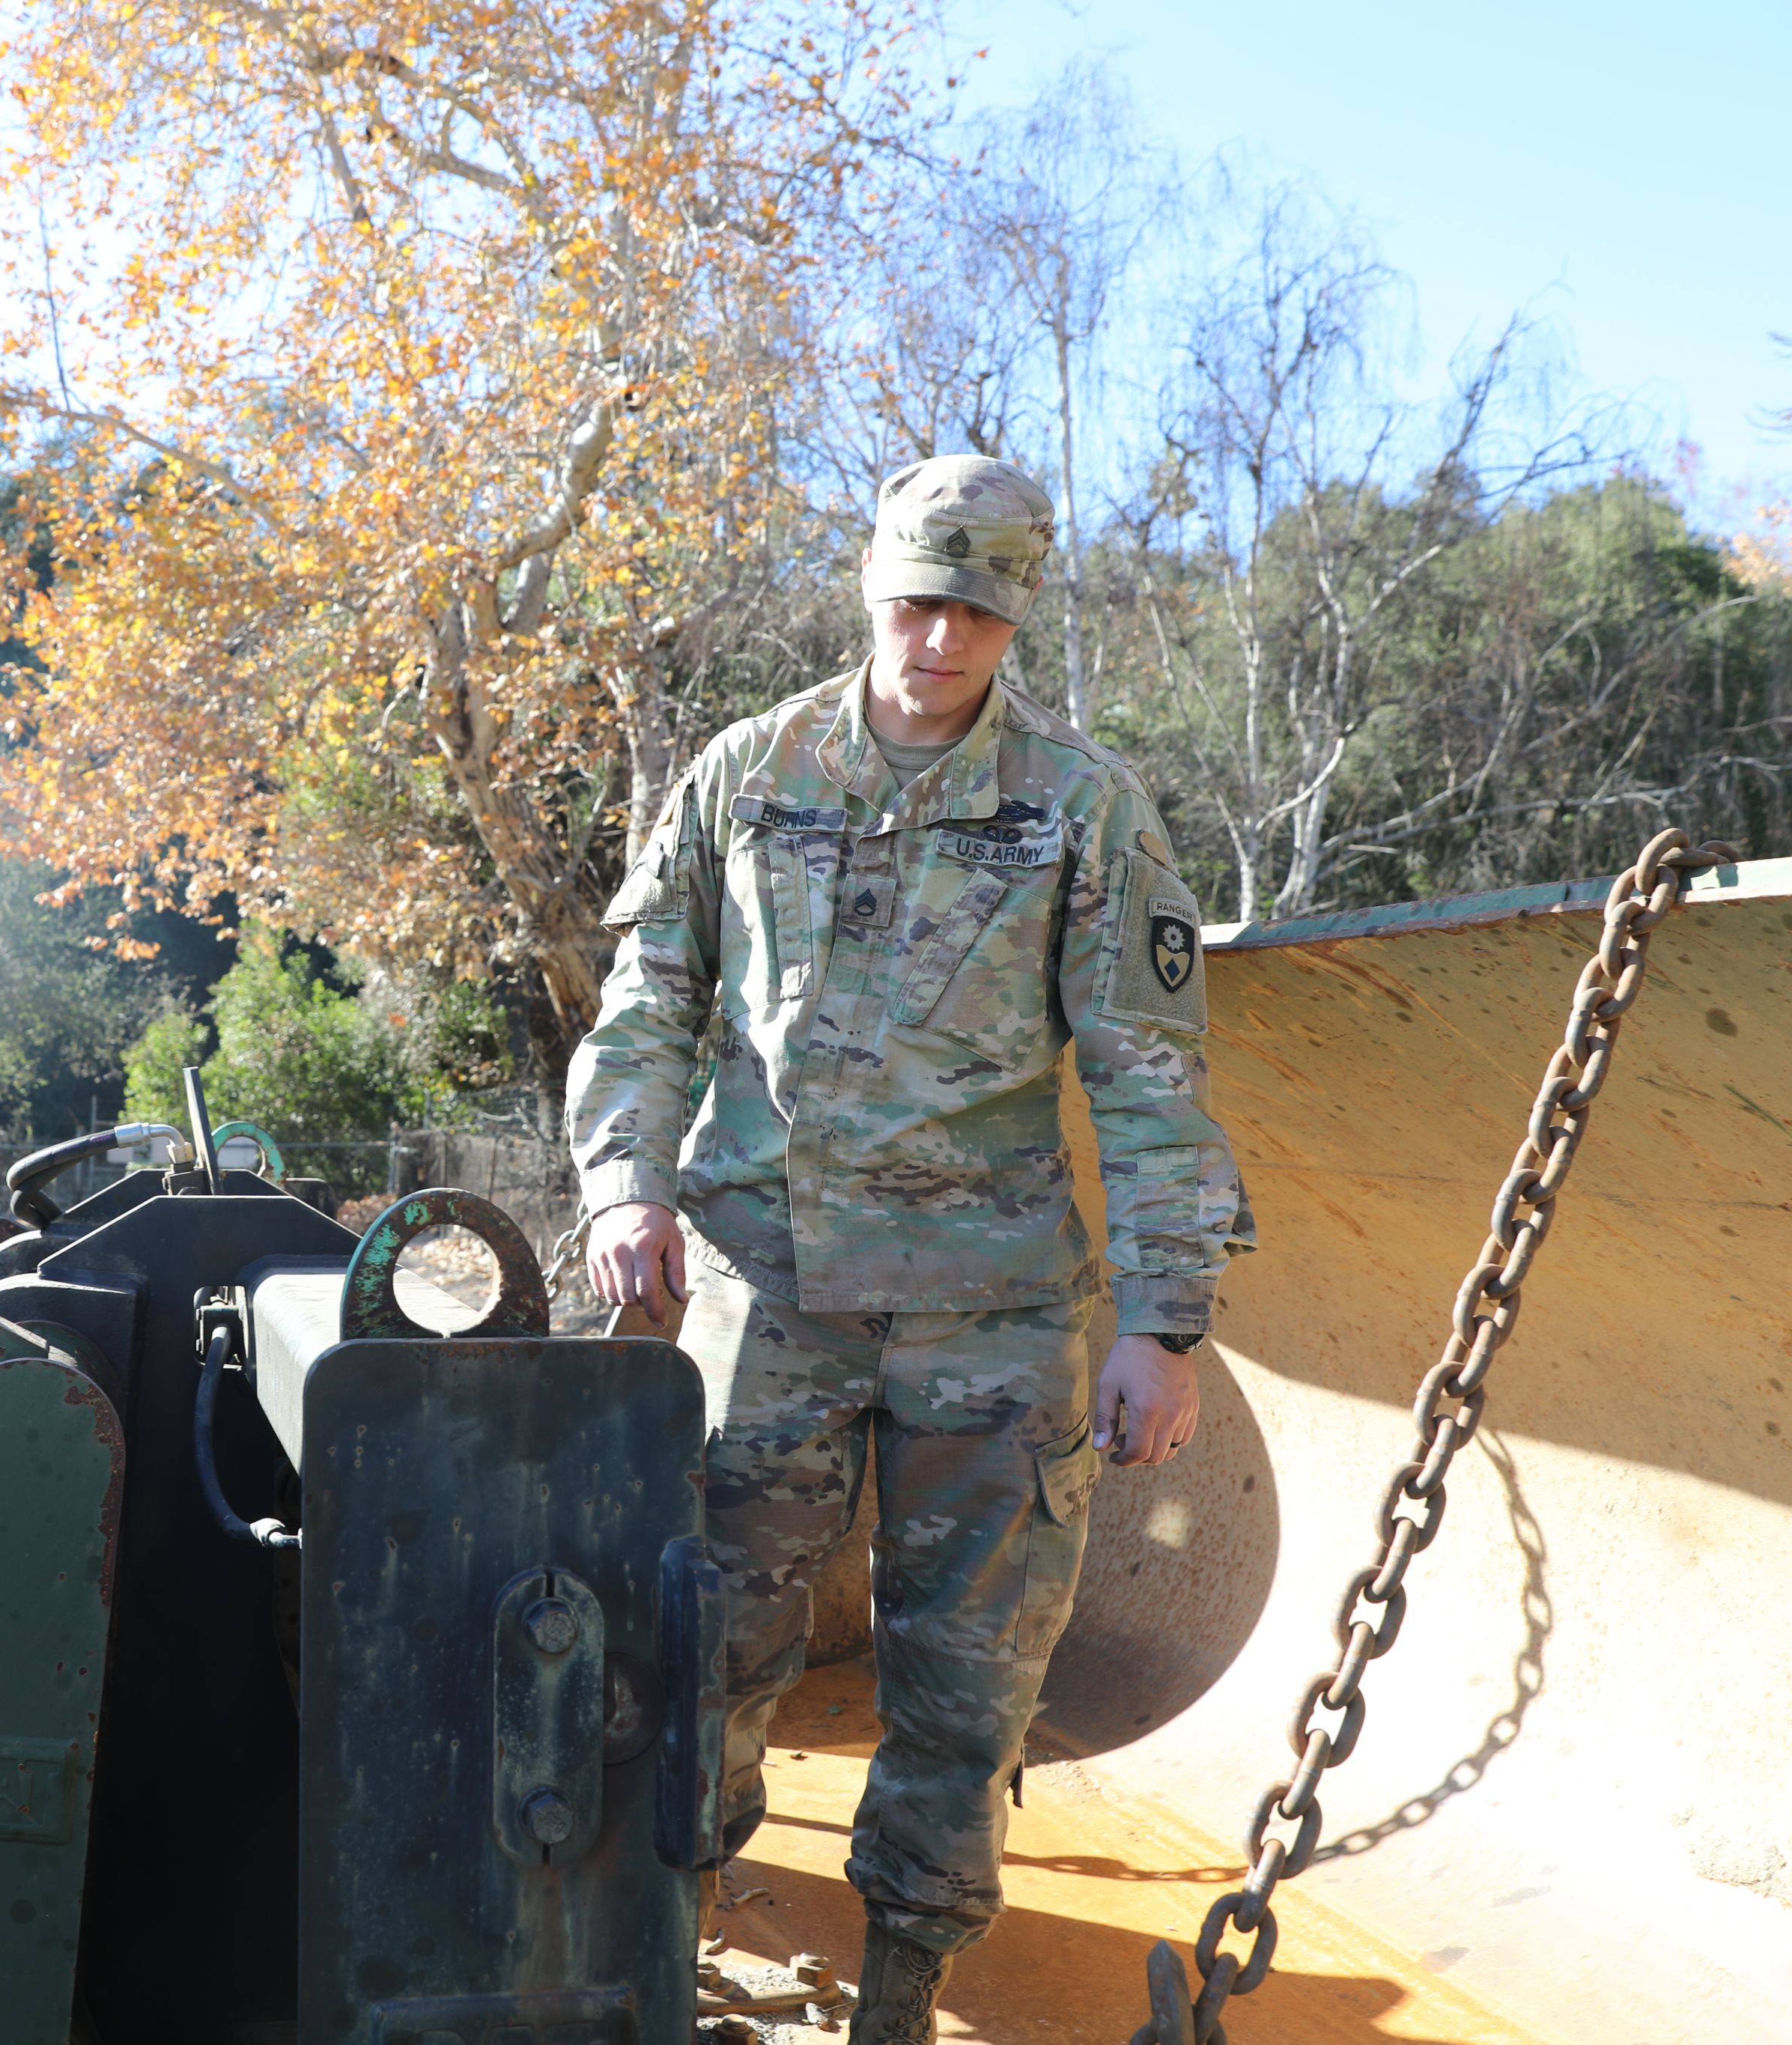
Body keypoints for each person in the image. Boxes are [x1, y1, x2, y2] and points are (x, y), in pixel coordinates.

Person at [565, 455, 1253, 2043]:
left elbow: (1148, 1072)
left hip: (992, 1317)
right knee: (706, 1640)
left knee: (965, 1684)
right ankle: (666, 1959)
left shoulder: (1081, 807)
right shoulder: (743, 773)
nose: (939, 638)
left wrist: (1164, 1318)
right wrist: (623, 1185)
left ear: (1014, 615)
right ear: (869, 585)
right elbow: (648, 1004)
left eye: (976, 609)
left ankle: (898, 2000)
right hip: (765, 1293)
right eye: (916, 600)